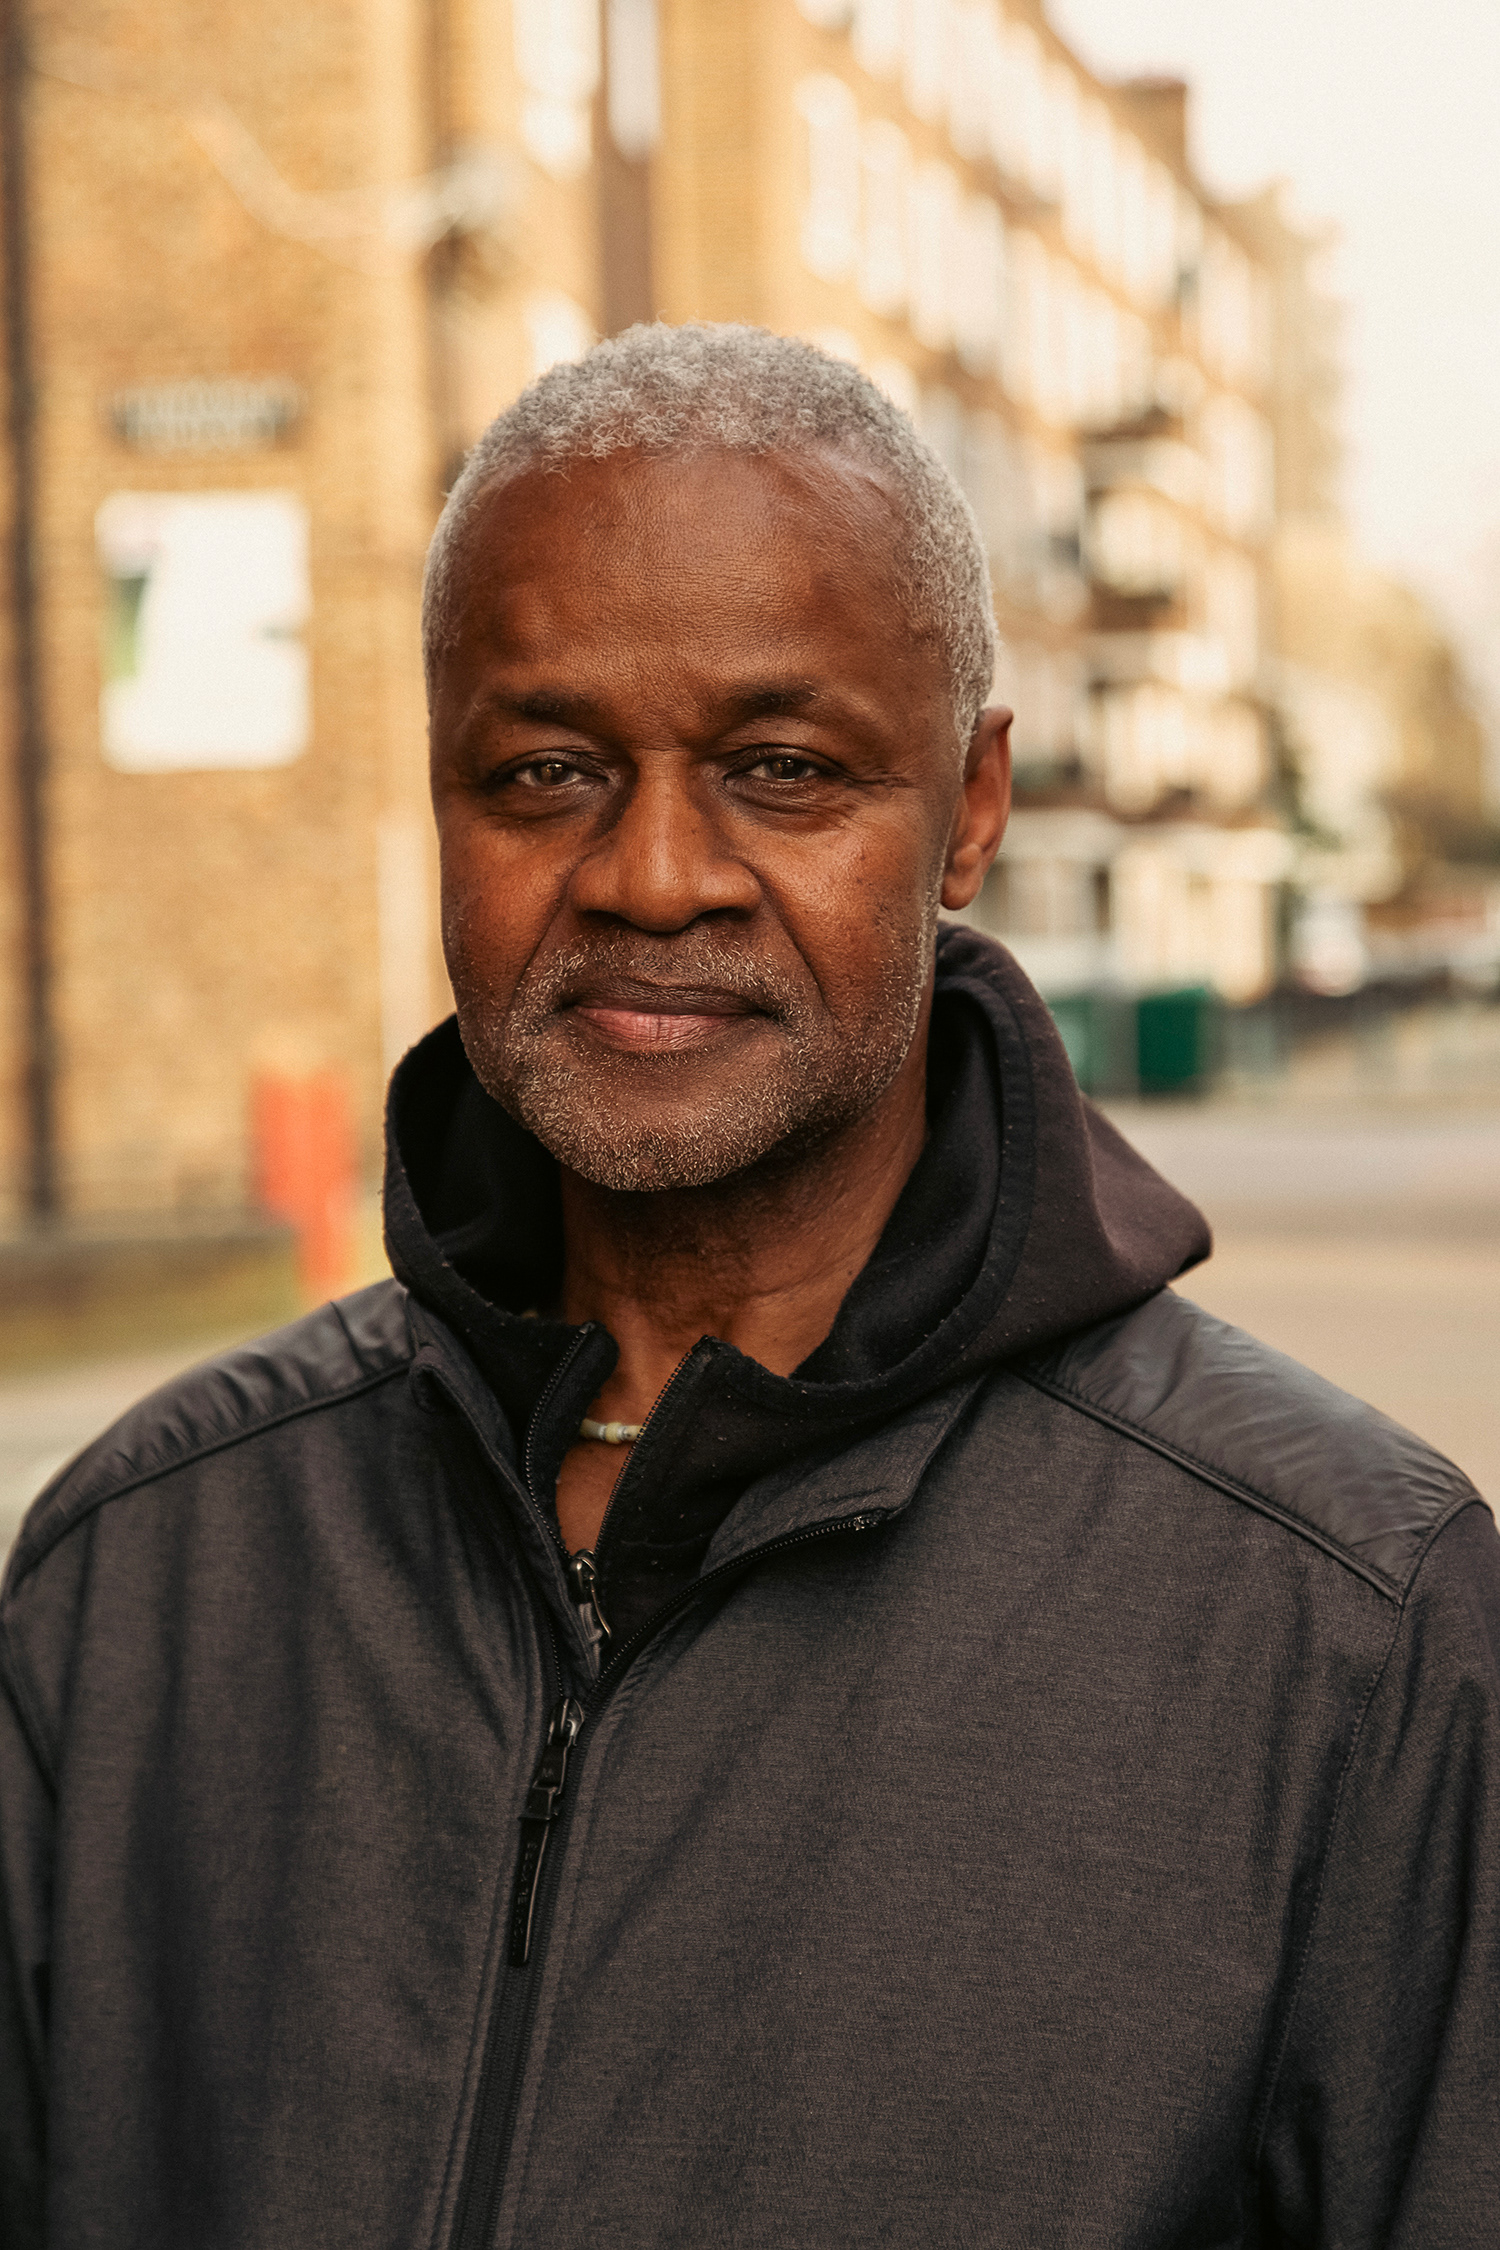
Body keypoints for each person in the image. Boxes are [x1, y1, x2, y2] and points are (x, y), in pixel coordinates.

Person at [2, 324, 1496, 2250]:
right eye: (545, 770)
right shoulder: (141, 1578)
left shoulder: (1348, 1626)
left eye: (781, 769)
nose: (651, 871)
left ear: (970, 807)